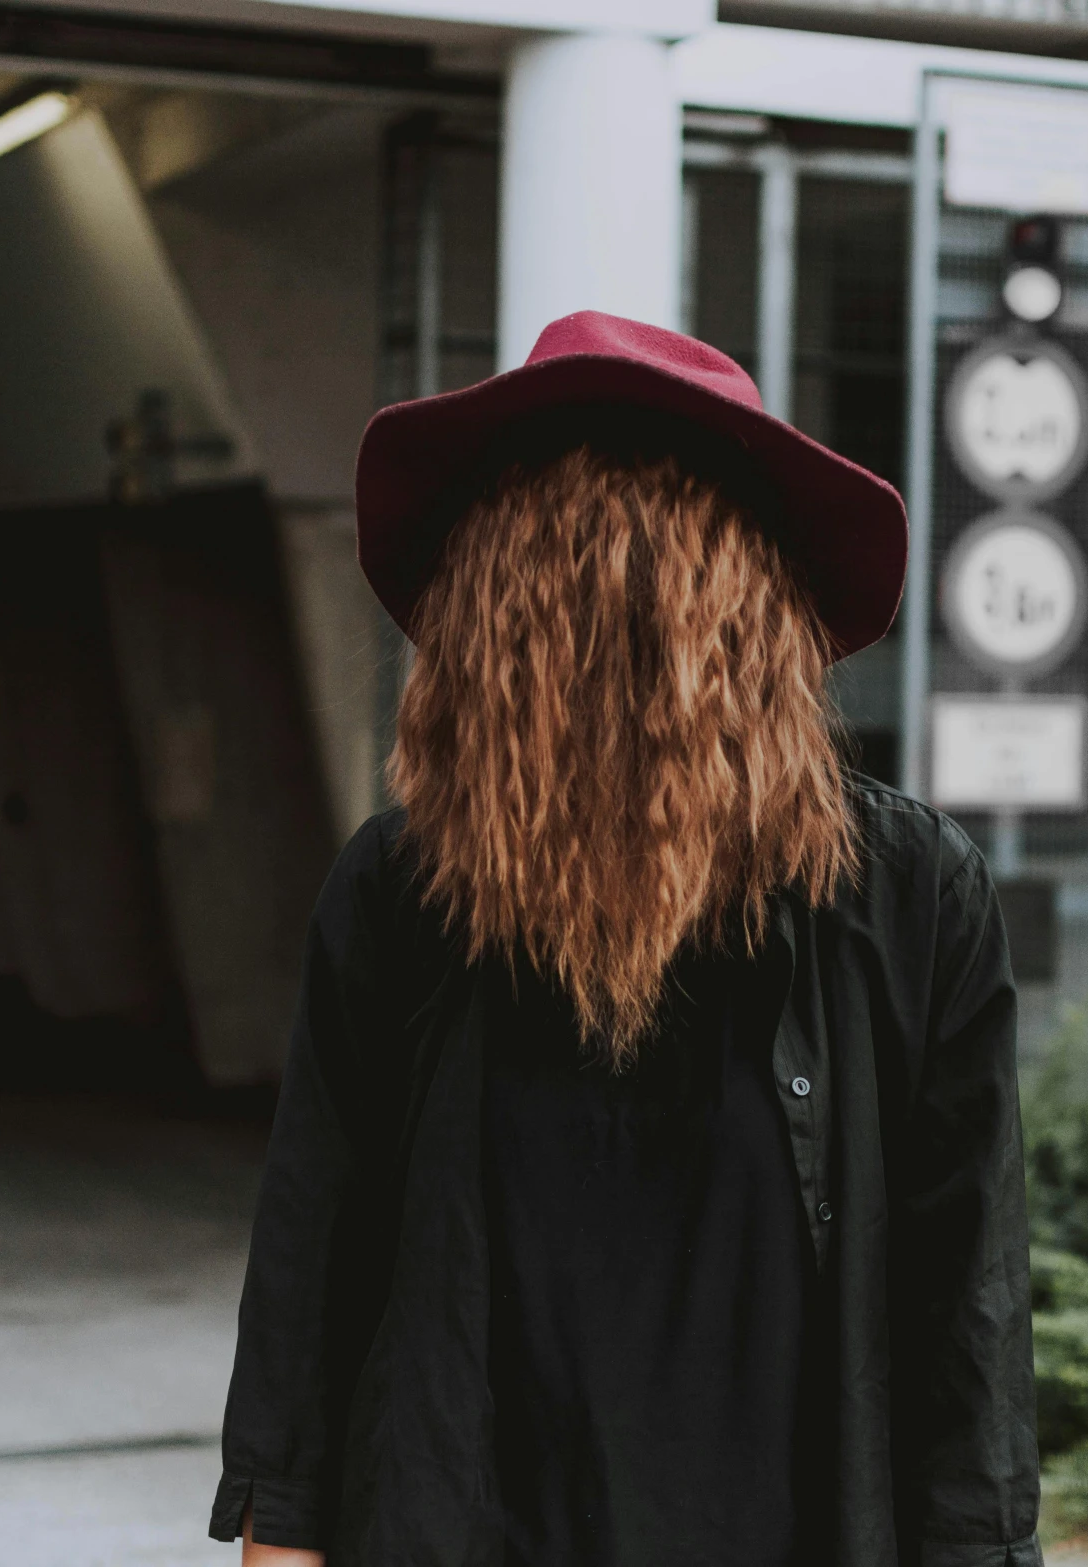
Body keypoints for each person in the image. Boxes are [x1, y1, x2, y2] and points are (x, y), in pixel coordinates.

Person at [210, 311, 1041, 1567]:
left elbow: (963, 1308)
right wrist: (278, 1539)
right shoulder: (403, 895)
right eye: (553, 594)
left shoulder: (905, 896)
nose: (608, 642)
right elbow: (313, 1266)